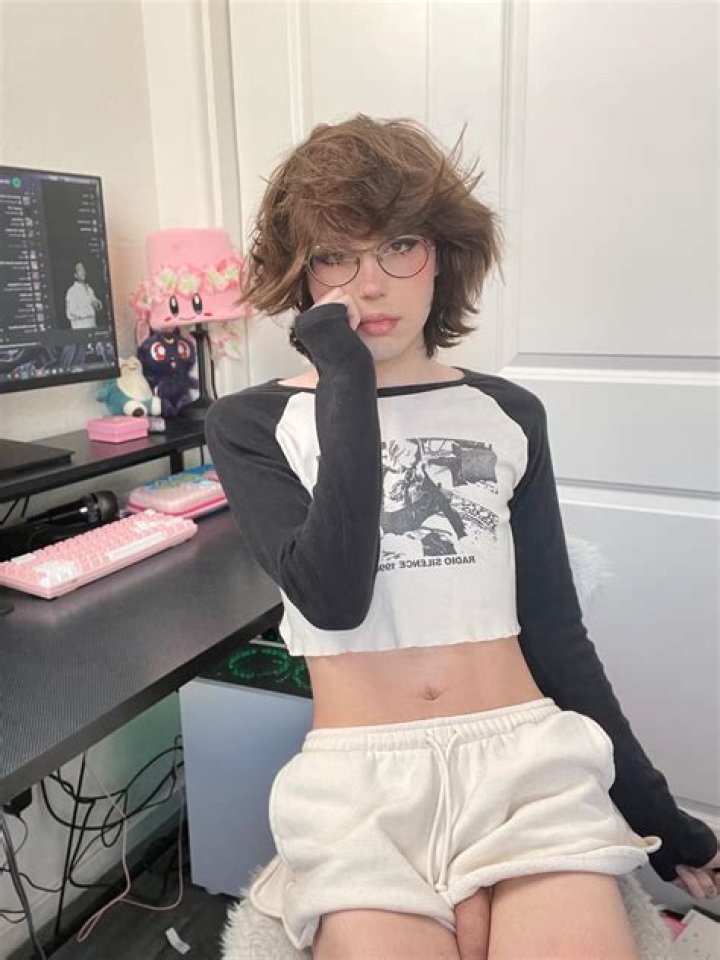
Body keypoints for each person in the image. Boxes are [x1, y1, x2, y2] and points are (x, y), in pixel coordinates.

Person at [205, 115, 718, 960]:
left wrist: (661, 819)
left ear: (441, 254)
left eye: (399, 246)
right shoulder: (252, 423)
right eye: (336, 256)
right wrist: (344, 376)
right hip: (359, 788)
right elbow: (332, 598)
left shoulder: (508, 412)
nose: (371, 286)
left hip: (525, 766)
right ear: (303, 272)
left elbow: (554, 634)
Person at [65, 261, 102, 329]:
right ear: (75, 275)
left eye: (83, 270)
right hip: (80, 329)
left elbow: (97, 304)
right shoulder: (72, 291)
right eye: (80, 270)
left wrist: (97, 304)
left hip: (93, 327)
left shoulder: (89, 289)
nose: (83, 272)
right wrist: (89, 310)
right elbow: (71, 313)